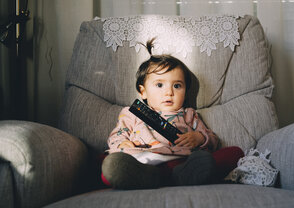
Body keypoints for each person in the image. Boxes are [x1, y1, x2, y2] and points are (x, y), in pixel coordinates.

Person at [101, 39, 244, 190]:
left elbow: (213, 139)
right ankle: (152, 177)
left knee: (234, 153)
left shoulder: (189, 114)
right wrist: (123, 143)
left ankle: (177, 176)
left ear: (185, 91)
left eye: (177, 86)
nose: (169, 92)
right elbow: (116, 136)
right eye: (159, 85)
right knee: (108, 164)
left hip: (182, 162)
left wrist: (199, 138)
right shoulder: (133, 113)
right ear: (143, 91)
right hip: (143, 161)